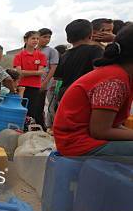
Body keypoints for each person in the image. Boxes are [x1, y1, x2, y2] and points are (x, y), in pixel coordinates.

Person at [53, 24, 133, 156]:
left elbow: (113, 125)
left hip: (83, 140)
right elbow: (100, 131)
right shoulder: (115, 81)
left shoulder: (121, 76)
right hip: (78, 144)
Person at [54, 19, 104, 101]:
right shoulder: (95, 50)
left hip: (65, 95)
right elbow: (100, 72)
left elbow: (58, 77)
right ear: (90, 35)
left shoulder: (64, 55)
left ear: (68, 39)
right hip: (84, 95)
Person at [13, 31, 47, 126]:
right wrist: (36, 73)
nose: (35, 40)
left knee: (33, 111)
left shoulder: (41, 55)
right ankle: (19, 128)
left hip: (35, 87)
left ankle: (28, 129)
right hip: (21, 87)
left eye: (37, 38)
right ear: (25, 40)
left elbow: (41, 72)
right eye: (33, 38)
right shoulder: (18, 56)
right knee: (21, 109)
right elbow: (19, 72)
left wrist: (25, 72)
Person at [35, 28, 59, 129]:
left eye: (49, 37)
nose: (47, 39)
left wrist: (45, 82)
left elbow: (53, 68)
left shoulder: (52, 51)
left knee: (40, 106)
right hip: (30, 82)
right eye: (44, 37)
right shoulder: (32, 50)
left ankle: (41, 127)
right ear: (38, 38)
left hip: (42, 83)